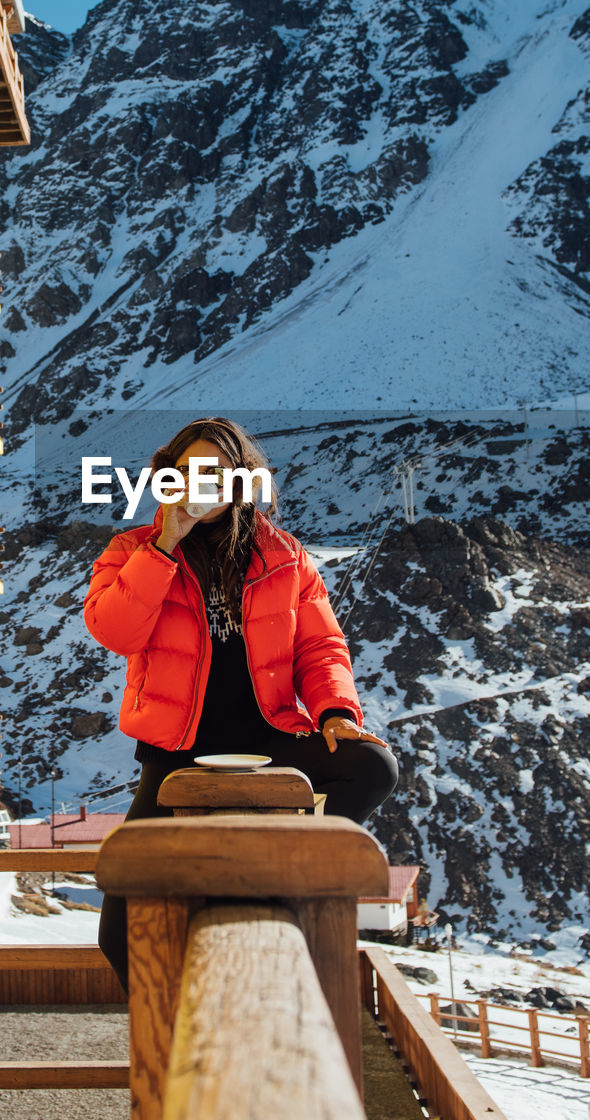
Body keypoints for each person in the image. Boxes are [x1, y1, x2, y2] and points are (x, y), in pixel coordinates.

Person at [84, 416, 398, 991]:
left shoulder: (286, 557)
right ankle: (181, 1034)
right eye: (184, 472)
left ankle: (287, 883)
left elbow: (321, 645)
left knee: (372, 766)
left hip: (268, 740)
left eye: (213, 472)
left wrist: (334, 712)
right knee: (119, 929)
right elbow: (115, 631)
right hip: (176, 751)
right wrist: (164, 545)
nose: (197, 483)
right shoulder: (132, 550)